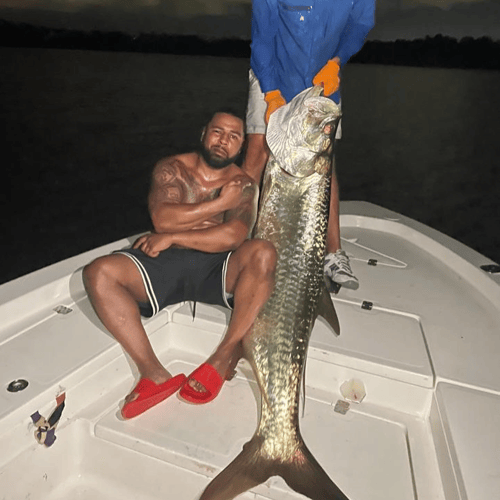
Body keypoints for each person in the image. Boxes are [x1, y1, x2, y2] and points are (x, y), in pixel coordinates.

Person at [83, 111, 276, 419]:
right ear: (203, 133)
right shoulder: (172, 168)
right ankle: (153, 373)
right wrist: (219, 205)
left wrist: (171, 237)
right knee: (98, 273)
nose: (222, 141)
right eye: (217, 131)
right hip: (166, 264)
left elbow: (233, 236)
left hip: (217, 267)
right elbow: (161, 217)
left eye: (233, 136)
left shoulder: (243, 184)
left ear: (241, 147)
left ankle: (223, 355)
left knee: (263, 252)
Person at [242, 0, 376, 290]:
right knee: (257, 153)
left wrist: (336, 61)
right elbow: (263, 38)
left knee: (324, 164)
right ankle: (234, 243)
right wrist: (271, 93)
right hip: (272, 73)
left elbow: (360, 24)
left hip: (322, 78)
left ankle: (333, 253)